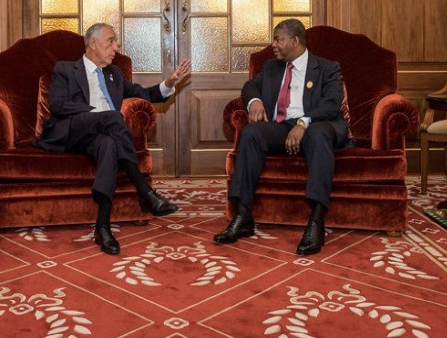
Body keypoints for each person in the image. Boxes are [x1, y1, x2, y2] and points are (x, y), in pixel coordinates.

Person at [35, 23, 191, 255]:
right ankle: (144, 190)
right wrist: (96, 114)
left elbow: (143, 94)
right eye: (111, 41)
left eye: (115, 42)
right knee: (112, 117)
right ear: (93, 43)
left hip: (103, 135)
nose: (116, 47)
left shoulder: (113, 74)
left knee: (109, 145)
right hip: (73, 130)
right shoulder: (66, 69)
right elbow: (58, 105)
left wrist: (169, 83)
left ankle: (103, 227)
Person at [214, 19, 352, 255]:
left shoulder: (327, 68)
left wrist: (303, 122)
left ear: (295, 41)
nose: (274, 44)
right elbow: (249, 86)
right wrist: (254, 101)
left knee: (318, 135)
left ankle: (316, 221)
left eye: (278, 39)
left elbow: (331, 105)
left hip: (317, 124)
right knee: (252, 133)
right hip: (281, 125)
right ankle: (243, 215)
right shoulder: (273, 67)